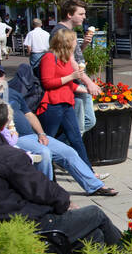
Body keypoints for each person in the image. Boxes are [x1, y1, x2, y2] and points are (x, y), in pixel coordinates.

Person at [0, 94, 123, 250]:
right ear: (3, 124)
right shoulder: (7, 155)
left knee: (93, 235)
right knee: (94, 214)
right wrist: (65, 203)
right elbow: (45, 191)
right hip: (22, 232)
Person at [0, 63, 115, 195]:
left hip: (32, 136)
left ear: (4, 76)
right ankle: (47, 192)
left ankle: (95, 186)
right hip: (13, 139)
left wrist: (41, 133)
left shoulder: (12, 93)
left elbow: (29, 114)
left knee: (68, 152)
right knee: (44, 153)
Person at [37, 27, 97, 169]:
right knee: (47, 138)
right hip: (52, 104)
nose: (76, 43)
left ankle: (89, 171)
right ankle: (42, 167)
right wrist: (71, 77)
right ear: (66, 42)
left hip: (67, 103)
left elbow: (69, 84)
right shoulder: (49, 57)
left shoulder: (64, 59)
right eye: (75, 40)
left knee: (76, 138)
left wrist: (86, 89)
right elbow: (47, 82)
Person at [52, 0, 98, 135]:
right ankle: (65, 151)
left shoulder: (69, 31)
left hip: (77, 82)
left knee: (88, 121)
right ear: (69, 14)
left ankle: (63, 147)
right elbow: (70, 62)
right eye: (81, 13)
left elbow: (72, 57)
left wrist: (83, 45)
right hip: (74, 85)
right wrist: (88, 82)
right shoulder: (61, 32)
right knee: (78, 129)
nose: (84, 17)